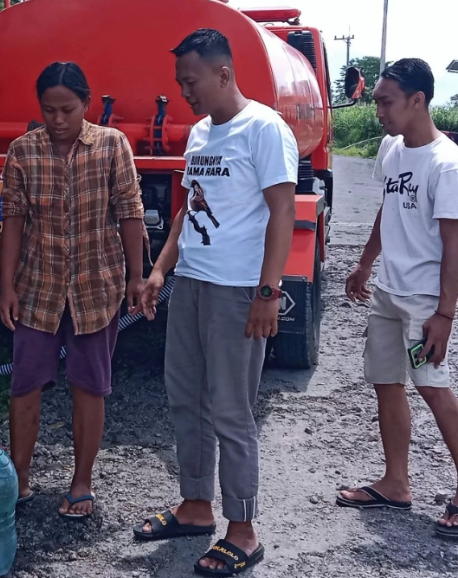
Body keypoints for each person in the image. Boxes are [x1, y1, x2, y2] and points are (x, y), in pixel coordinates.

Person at [134, 28, 299, 576]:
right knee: (185, 400)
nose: (185, 91)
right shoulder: (202, 133)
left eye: (192, 80)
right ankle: (197, 505)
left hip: (237, 291)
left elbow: (283, 213)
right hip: (193, 285)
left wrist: (268, 292)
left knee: (231, 410)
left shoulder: (265, 130)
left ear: (224, 73)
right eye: (180, 82)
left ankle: (244, 530)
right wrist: (161, 268)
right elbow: (188, 208)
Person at [336, 58, 458, 537]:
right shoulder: (392, 149)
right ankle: (396, 482)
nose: (379, 110)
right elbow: (389, 208)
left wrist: (444, 313)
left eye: (386, 101)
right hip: (389, 289)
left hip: (424, 299)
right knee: (386, 381)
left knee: (430, 385)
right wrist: (366, 262)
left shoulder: (447, 165)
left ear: (417, 100)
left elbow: (454, 246)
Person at [0, 61, 145, 520]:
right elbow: (14, 222)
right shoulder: (23, 152)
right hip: (37, 288)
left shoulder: (111, 145)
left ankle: (81, 482)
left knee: (90, 386)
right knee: (25, 386)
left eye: (67, 109)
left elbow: (130, 213)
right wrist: (6, 286)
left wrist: (136, 278)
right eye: (49, 110)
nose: (58, 120)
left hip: (95, 287)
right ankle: (19, 477)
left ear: (87, 103)